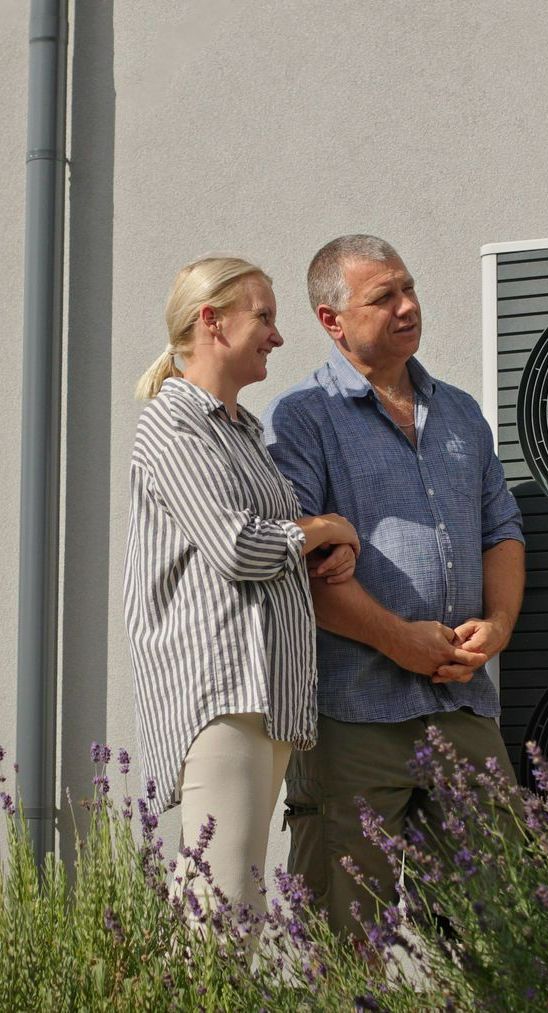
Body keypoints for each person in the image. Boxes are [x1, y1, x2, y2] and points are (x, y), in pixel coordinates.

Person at [263, 235, 525, 935]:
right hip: (353, 715)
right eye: (384, 297)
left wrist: (497, 626)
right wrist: (399, 640)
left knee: (500, 925)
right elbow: (299, 568)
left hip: (463, 703)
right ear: (332, 320)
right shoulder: (301, 419)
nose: (408, 306)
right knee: (347, 934)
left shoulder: (461, 413)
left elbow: (503, 531)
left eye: (408, 288)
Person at [124, 256, 361, 918]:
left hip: (263, 691)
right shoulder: (173, 424)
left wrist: (322, 548)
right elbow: (238, 546)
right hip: (219, 690)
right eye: (264, 317)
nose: (277, 336)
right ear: (212, 321)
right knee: (223, 911)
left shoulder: (242, 433)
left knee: (230, 904)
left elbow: (273, 539)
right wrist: (324, 527)